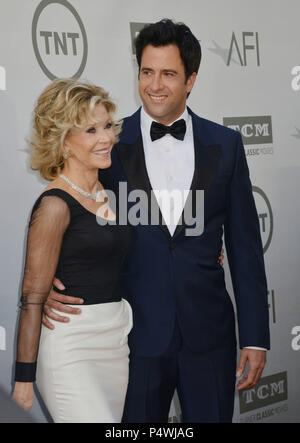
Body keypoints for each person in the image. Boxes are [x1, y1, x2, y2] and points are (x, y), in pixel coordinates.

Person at [43, 19, 270, 423]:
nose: (155, 84)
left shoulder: (226, 145)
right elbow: (70, 210)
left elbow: (245, 247)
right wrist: (47, 285)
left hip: (209, 338)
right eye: (147, 72)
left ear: (191, 79)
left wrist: (255, 338)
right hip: (132, 338)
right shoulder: (107, 142)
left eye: (168, 73)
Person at [12, 79, 133, 422]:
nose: (107, 138)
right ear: (64, 142)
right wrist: (24, 381)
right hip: (71, 349)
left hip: (114, 342)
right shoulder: (54, 205)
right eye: (91, 130)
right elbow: (33, 297)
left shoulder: (108, 195)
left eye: (108, 125)